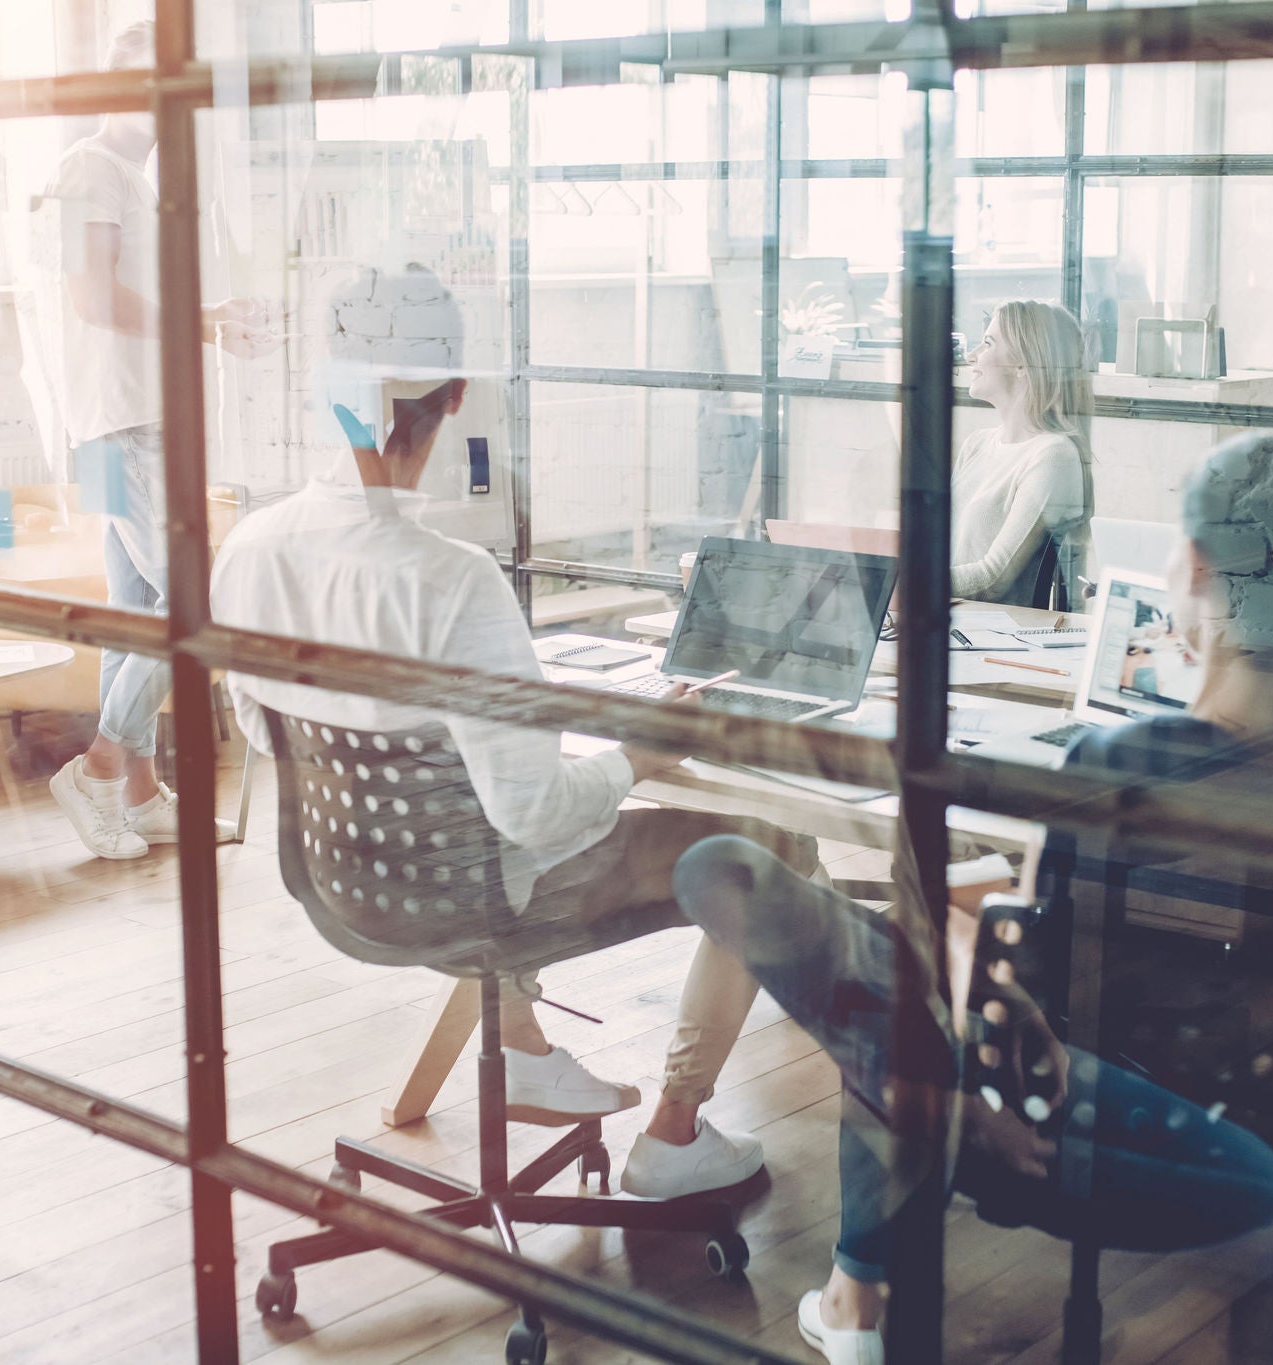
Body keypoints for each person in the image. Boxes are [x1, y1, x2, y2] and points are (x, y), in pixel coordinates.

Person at [673, 431, 1273, 1364]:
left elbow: (1024, 997)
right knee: (909, 974)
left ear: (1193, 568)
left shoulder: (1127, 765)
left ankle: (854, 1304)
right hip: (1262, 1130)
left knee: (742, 881)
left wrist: (951, 936)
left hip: (1049, 1133)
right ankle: (852, 1298)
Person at [211, 264, 821, 1198]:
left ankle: (526, 1044)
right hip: (474, 894)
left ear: (325, 385)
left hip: (344, 884)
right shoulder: (452, 579)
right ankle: (673, 1131)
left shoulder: (251, 546)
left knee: (487, 827)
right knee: (772, 844)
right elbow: (535, 814)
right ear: (456, 396)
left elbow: (264, 732)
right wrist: (637, 755)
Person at [43, 20, 274, 861]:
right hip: (120, 422)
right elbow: (92, 301)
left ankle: (137, 792)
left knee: (135, 611)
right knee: (190, 603)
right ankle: (99, 766)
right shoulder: (87, 174)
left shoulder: (129, 181)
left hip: (129, 421)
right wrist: (208, 323)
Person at [953, 300, 1093, 606]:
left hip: (987, 638)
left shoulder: (1053, 455)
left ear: (1023, 366)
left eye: (988, 343)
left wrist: (907, 581)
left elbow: (993, 579)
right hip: (940, 619)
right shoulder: (977, 444)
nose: (971, 355)